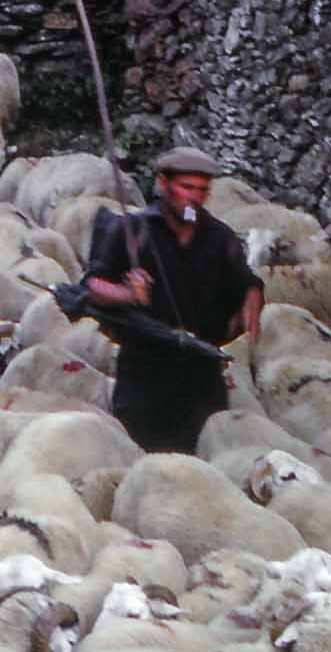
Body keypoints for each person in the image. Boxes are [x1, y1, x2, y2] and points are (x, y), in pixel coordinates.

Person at [82, 145, 263, 454]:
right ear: (164, 184)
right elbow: (93, 285)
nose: (194, 197)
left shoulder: (220, 238)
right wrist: (126, 293)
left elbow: (246, 283)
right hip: (144, 374)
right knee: (143, 460)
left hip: (201, 377)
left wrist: (252, 299)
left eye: (202, 190)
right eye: (186, 187)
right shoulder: (133, 230)